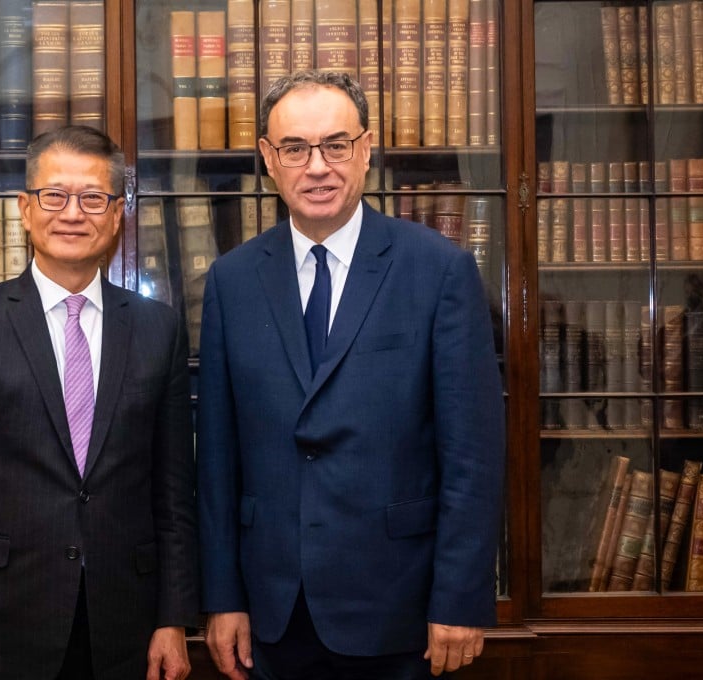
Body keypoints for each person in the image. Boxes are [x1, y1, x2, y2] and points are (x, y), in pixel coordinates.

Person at [197, 70, 506, 680]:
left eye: (336, 145)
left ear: (366, 150)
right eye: (295, 148)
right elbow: (218, 457)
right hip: (271, 612)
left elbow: (472, 454)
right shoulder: (231, 282)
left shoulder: (438, 271)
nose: (318, 167)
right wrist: (223, 596)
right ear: (268, 158)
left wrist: (460, 598)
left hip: (402, 610)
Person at [0, 125, 199, 680]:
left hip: (128, 626)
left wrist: (174, 619)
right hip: (1, 623)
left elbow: (173, 492)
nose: (73, 213)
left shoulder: (157, 329)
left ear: (117, 215)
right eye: (55, 195)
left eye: (93, 198)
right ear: (24, 207)